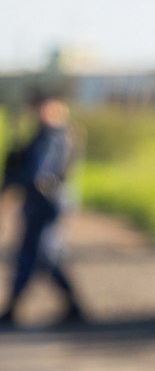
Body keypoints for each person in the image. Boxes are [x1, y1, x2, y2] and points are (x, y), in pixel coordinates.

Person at [0, 91, 87, 327]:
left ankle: (13, 307)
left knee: (37, 253)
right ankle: (73, 306)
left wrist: (14, 176)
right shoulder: (44, 135)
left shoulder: (55, 137)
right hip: (41, 202)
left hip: (47, 202)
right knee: (43, 254)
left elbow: (38, 173)